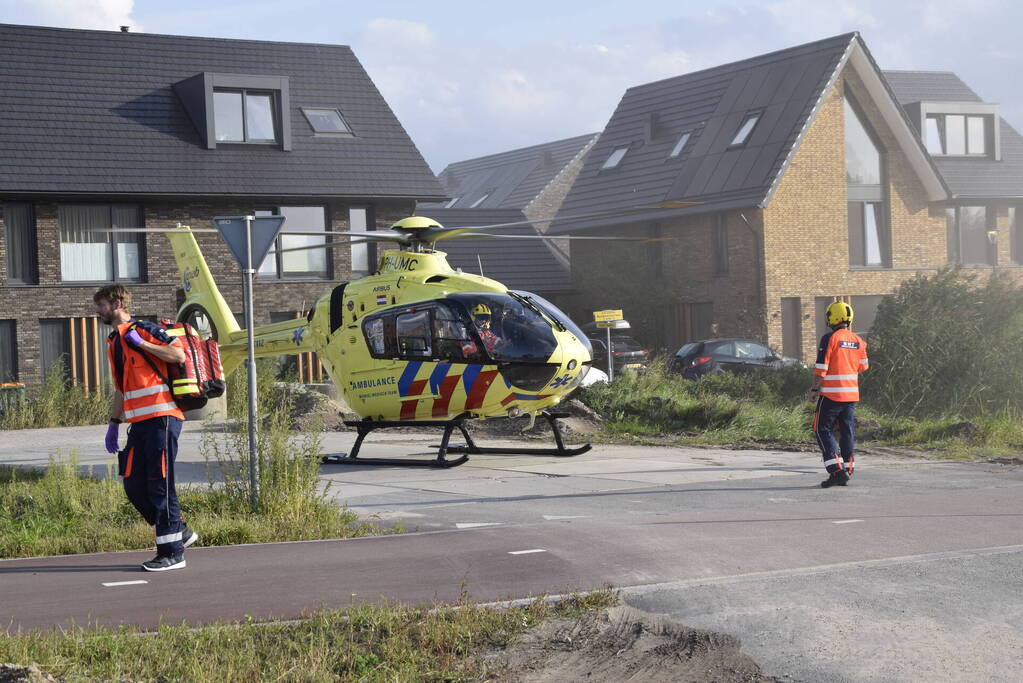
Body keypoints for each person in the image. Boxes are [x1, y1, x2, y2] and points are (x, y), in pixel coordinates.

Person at [94, 285, 198, 571]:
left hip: (163, 417)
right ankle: (180, 530)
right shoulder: (114, 341)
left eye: (100, 304)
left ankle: (172, 553)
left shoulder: (142, 329)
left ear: (116, 303)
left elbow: (178, 356)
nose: (97, 310)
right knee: (134, 485)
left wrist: (143, 344)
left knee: (160, 485)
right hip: (138, 424)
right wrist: (114, 423)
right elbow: (121, 388)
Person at [808, 301, 869, 488]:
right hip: (851, 395)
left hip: (831, 395)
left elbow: (821, 368)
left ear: (831, 317)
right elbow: (863, 366)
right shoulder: (859, 341)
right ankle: (847, 468)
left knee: (821, 429)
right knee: (846, 430)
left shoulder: (829, 339)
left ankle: (836, 471)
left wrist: (813, 390)